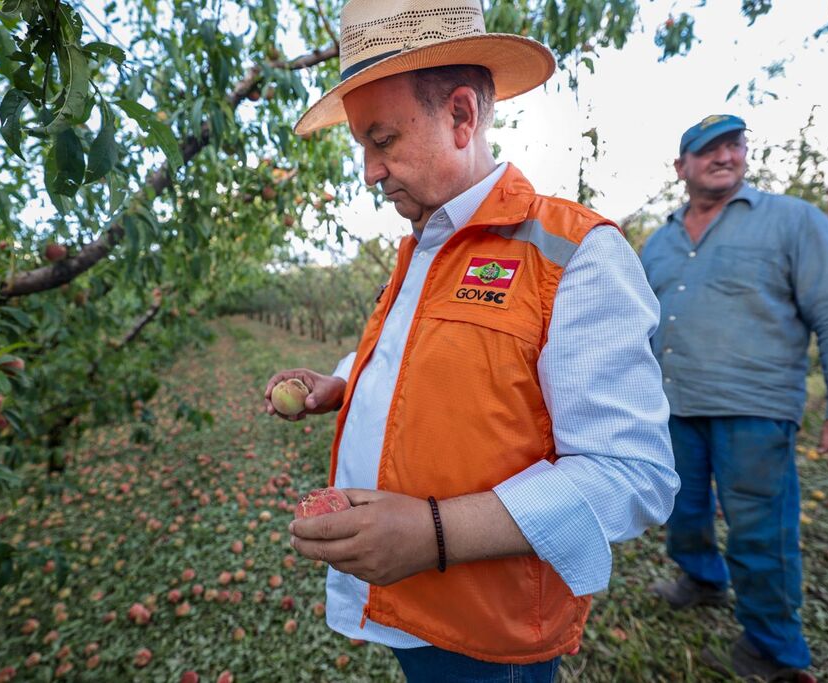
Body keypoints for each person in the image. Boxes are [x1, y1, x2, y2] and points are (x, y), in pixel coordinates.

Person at [264, 1, 679, 680]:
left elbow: (630, 473)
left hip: (490, 628)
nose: (369, 171)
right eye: (363, 148)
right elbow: (420, 356)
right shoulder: (419, 247)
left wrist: (434, 532)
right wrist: (343, 382)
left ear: (461, 115)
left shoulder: (573, 254)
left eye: (382, 140)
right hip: (406, 605)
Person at [641, 114, 828, 682]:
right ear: (682, 167)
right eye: (707, 149)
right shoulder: (660, 239)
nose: (723, 156)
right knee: (682, 510)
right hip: (672, 406)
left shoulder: (793, 221)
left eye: (733, 145)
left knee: (759, 529)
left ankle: (775, 648)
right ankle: (701, 579)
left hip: (754, 408)